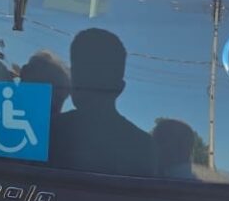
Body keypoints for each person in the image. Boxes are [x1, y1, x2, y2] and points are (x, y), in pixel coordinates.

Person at [50, 28, 154, 176]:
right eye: (81, 74)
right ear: (120, 88)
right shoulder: (144, 146)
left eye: (82, 76)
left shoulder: (46, 132)